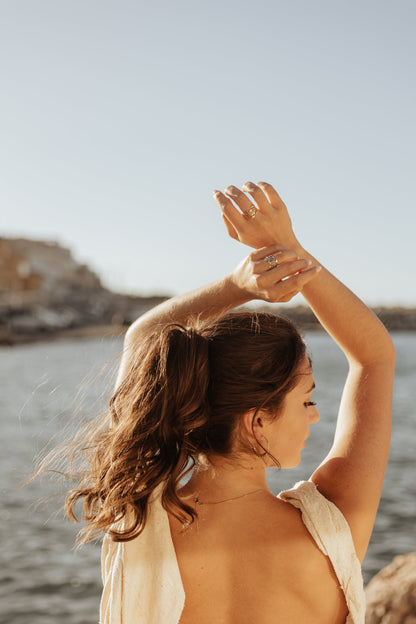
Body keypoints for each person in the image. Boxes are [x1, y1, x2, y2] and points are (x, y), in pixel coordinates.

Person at [67, 182, 395, 624]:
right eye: (307, 400)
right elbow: (374, 355)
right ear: (257, 421)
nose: (315, 415)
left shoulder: (140, 517)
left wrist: (237, 285)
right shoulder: (331, 528)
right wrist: (289, 250)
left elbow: (143, 340)